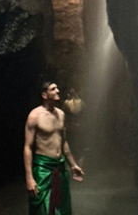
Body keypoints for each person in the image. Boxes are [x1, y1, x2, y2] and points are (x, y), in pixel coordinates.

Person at [24, 82, 84, 215]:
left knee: (62, 208)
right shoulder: (34, 116)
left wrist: (73, 165)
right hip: (43, 168)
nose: (57, 91)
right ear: (44, 95)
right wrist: (29, 178)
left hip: (60, 166)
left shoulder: (61, 114)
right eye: (53, 89)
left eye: (57, 88)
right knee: (42, 210)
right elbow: (28, 147)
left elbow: (63, 142)